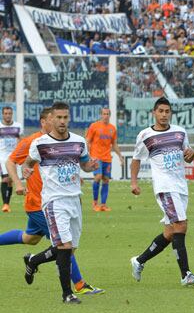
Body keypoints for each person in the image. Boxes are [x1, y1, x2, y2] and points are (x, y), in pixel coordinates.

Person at [1, 107, 103, 296]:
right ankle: (78, 284)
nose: (60, 122)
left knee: (30, 238)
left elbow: (75, 164)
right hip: (42, 203)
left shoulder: (73, 141)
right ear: (45, 121)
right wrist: (18, 183)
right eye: (54, 118)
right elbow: (11, 162)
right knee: (64, 245)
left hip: (59, 200)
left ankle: (32, 260)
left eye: (64, 117)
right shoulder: (33, 142)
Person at [129, 97, 194, 286]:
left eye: (167, 111)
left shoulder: (179, 132)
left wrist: (191, 154)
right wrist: (134, 182)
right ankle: (185, 274)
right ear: (154, 113)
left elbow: (188, 155)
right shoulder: (146, 135)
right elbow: (136, 159)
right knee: (181, 224)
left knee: (170, 232)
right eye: (160, 111)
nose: (164, 114)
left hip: (180, 186)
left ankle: (139, 260)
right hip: (164, 187)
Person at [85, 107, 123, 212]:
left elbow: (114, 144)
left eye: (107, 114)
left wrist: (120, 156)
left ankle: (103, 204)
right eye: (104, 114)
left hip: (107, 158)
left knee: (106, 179)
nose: (106, 116)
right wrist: (88, 155)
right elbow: (87, 140)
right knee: (98, 176)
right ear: (101, 115)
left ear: (109, 115)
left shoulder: (112, 128)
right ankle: (95, 203)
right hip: (96, 157)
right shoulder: (94, 126)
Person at [1, 105, 21, 212]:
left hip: (13, 157)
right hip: (2, 156)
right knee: (5, 178)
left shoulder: (18, 126)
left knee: (9, 180)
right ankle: (5, 204)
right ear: (2, 114)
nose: (8, 115)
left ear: (12, 114)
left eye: (9, 113)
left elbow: (20, 140)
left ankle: (6, 204)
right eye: (6, 113)